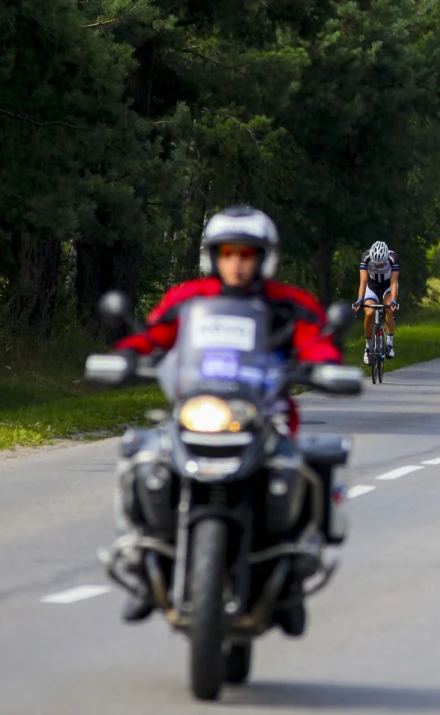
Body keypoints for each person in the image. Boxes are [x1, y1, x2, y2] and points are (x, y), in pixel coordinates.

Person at [114, 206, 343, 628]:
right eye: (228, 253)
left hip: (264, 414)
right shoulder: (189, 298)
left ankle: (292, 571)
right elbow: (153, 334)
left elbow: (315, 341)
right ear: (213, 256)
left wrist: (326, 364)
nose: (237, 263)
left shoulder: (289, 303)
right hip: (197, 408)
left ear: (264, 258)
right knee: (146, 457)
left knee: (296, 466)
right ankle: (146, 564)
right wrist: (126, 355)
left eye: (247, 254)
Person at [353, 241, 399, 363]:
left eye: (381, 263)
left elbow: (394, 281)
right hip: (372, 285)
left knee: (389, 307)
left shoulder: (392, 257)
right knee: (369, 312)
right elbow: (363, 281)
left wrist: (394, 300)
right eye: (376, 263)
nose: (378, 266)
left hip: (388, 284)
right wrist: (359, 300)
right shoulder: (366, 257)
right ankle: (368, 348)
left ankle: (389, 344)